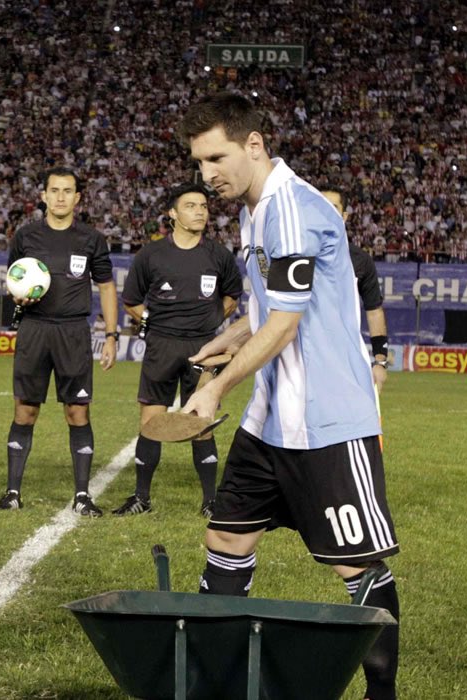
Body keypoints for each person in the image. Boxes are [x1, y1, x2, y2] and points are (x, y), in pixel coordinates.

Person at [178, 93, 400, 700]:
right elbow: (261, 312)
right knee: (225, 538)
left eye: (216, 158)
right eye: (199, 164)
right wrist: (218, 345)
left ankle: (383, 693)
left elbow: (286, 325)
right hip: (269, 421)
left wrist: (216, 387)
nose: (207, 175)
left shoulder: (294, 212)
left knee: (353, 566)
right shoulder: (253, 211)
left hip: (327, 422)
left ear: (254, 145)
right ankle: (213, 678)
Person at [112, 183, 242, 517]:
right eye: (191, 205)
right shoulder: (152, 255)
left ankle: (211, 501)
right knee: (151, 420)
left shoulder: (218, 255)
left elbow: (232, 296)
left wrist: (214, 319)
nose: (200, 211)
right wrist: (153, 324)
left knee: (201, 420)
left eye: (203, 205)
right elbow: (131, 302)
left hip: (204, 346)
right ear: (173, 213)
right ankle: (141, 497)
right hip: (162, 345)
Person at [0, 166, 118, 516]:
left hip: (74, 332)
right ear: (44, 196)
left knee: (77, 412)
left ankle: (82, 496)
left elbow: (107, 287)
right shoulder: (26, 236)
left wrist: (110, 335)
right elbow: (14, 279)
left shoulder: (91, 239)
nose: (61, 196)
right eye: (55, 190)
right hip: (34, 329)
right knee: (25, 410)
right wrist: (17, 297)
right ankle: (12, 492)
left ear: (78, 198)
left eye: (68, 191)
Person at [321, 190, 390, 392]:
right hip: (302, 356)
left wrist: (380, 362)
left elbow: (374, 311)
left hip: (345, 359)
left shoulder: (360, 260)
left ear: (344, 216)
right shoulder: (297, 253)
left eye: (333, 208)